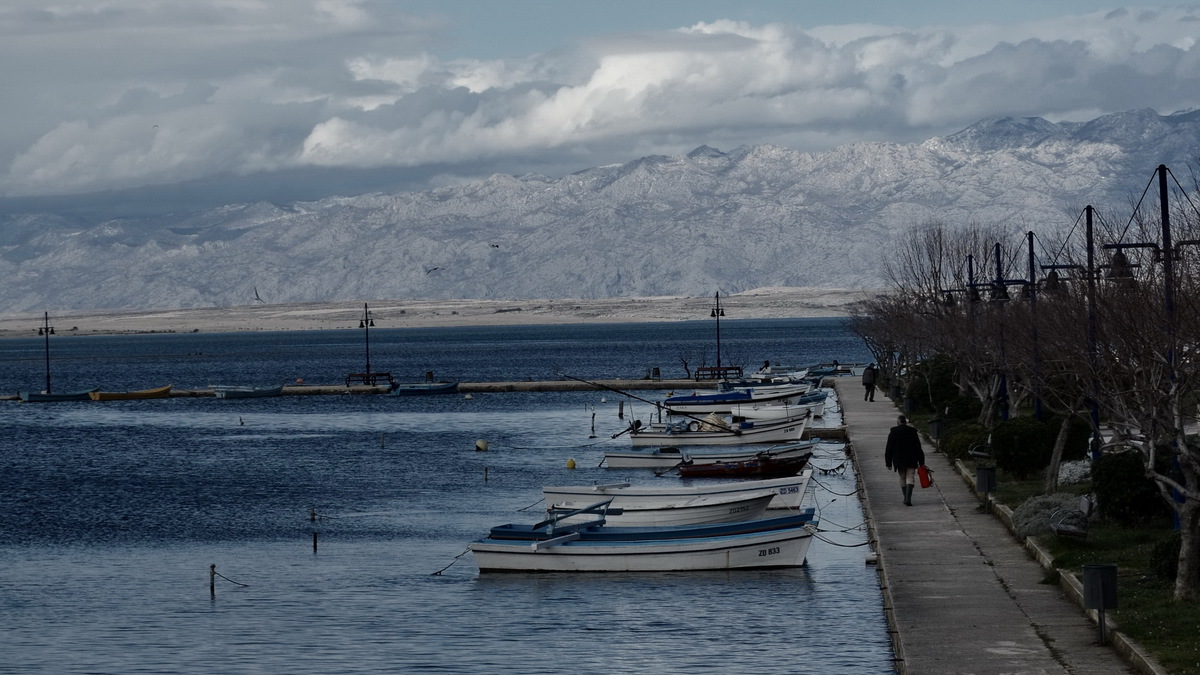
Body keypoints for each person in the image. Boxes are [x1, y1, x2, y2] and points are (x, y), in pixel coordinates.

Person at [885, 415, 926, 506]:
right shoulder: (912, 432)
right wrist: (921, 462)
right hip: (911, 458)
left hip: (899, 459)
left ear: (898, 422)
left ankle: (905, 498)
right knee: (910, 477)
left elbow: (889, 449)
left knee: (902, 477)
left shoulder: (893, 433)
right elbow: (918, 448)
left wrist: (888, 463)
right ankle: (908, 498)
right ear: (906, 422)